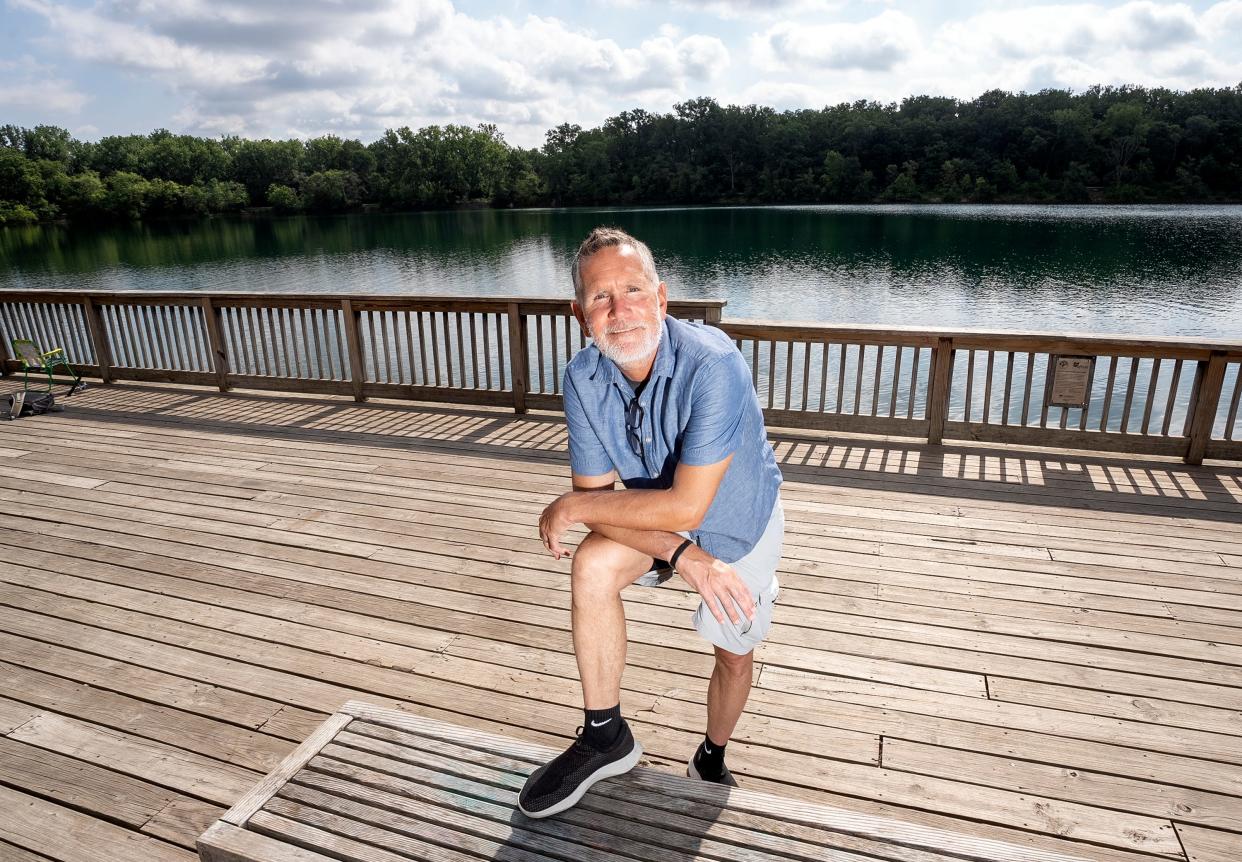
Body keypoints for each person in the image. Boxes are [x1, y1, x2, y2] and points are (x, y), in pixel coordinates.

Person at [518, 226, 784, 819]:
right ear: (580, 312)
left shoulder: (715, 362)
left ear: (662, 299)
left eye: (633, 290)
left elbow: (678, 506)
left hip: (738, 519)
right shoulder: (584, 378)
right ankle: (605, 735)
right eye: (600, 297)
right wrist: (681, 555)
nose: (620, 311)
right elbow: (600, 504)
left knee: (732, 651)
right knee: (591, 563)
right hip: (660, 517)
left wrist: (571, 506)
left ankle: (712, 754)